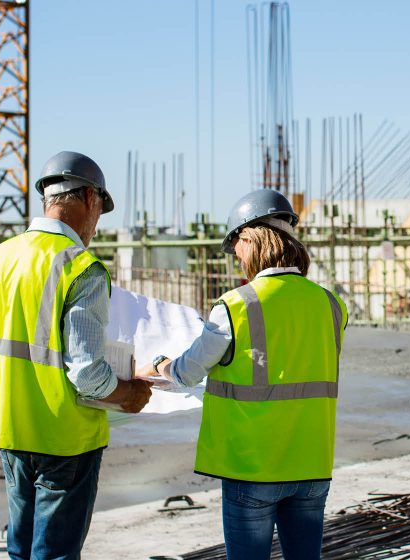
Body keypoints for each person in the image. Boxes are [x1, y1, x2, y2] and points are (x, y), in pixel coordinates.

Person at [137, 189, 346, 560]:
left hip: (253, 467)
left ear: (251, 238)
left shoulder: (236, 305)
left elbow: (187, 372)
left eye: (235, 243)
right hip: (312, 463)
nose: (234, 253)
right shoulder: (331, 305)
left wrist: (158, 364)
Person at [0, 151, 153, 559]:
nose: (96, 226)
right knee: (54, 553)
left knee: (21, 548)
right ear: (89, 198)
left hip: (11, 429)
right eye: (100, 212)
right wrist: (129, 393)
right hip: (65, 440)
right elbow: (87, 374)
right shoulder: (79, 266)